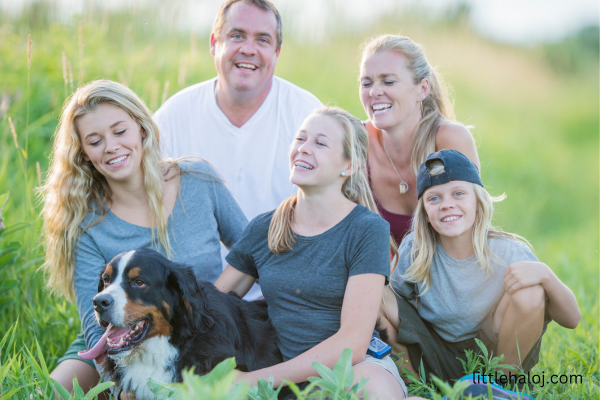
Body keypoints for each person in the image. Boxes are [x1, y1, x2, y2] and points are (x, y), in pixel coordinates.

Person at [40, 79, 248, 397]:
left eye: (120, 131)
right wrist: (121, 383)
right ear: (82, 152)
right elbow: (94, 320)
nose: (111, 146)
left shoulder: (198, 179)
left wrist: (208, 309)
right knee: (47, 393)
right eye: (95, 140)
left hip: (198, 329)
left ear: (142, 128)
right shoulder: (85, 223)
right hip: (117, 336)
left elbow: (252, 252)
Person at [215, 107, 418, 400]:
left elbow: (353, 343)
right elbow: (211, 306)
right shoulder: (265, 228)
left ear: (348, 166)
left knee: (372, 392)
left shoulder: (366, 229)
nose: (303, 149)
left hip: (353, 370)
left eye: (320, 143)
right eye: (300, 139)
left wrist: (253, 380)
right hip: (284, 373)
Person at [154, 0, 323, 299]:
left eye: (262, 40)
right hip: (192, 296)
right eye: (237, 36)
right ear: (213, 43)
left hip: (286, 295)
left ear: (277, 53)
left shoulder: (308, 116)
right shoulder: (172, 117)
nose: (249, 49)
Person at [378, 149, 581, 388]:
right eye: (434, 198)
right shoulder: (415, 250)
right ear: (425, 213)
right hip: (434, 356)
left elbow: (572, 320)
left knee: (531, 291)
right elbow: (396, 305)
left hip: (493, 354)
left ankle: (499, 387)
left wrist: (546, 274)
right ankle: (414, 387)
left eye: (458, 193)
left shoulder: (508, 251)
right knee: (376, 296)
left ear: (478, 201)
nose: (447, 205)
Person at [359, 35, 480, 245]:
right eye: (366, 83)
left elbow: (471, 233)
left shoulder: (449, 139)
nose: (374, 92)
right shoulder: (356, 140)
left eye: (388, 81)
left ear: (423, 89)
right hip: (375, 275)